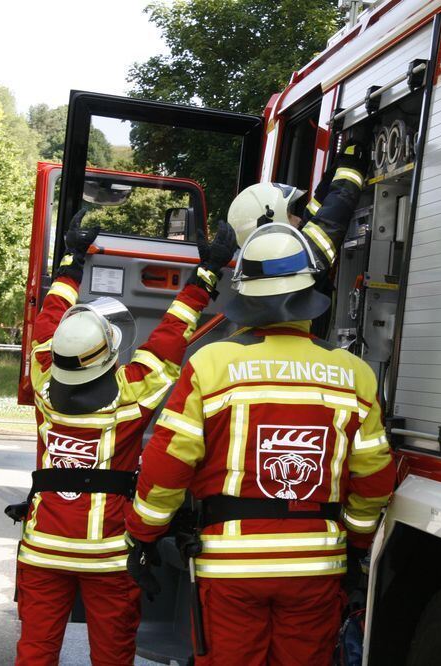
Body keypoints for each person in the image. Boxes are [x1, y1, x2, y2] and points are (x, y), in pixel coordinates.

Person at [125, 146, 395, 665]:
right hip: (317, 568)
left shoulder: (212, 365)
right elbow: (374, 475)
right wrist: (357, 543)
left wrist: (143, 533)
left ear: (243, 291)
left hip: (231, 567)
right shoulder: (355, 375)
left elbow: (167, 464)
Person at [9, 209, 236, 666]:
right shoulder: (132, 393)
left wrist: (72, 262)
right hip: (110, 556)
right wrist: (206, 274)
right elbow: (172, 333)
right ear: (111, 352)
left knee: (35, 652)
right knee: (112, 655)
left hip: (42, 549)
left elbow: (49, 319)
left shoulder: (42, 375)